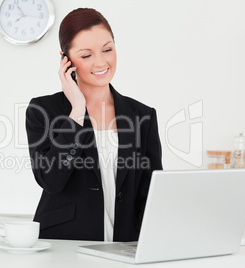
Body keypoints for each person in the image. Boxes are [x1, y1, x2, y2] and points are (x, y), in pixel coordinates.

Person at [25, 8, 162, 242]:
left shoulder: (143, 116)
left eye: (107, 49)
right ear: (65, 60)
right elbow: (51, 181)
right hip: (64, 244)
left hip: (124, 244)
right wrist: (77, 111)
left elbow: (151, 194)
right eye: (86, 55)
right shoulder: (43, 111)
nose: (100, 62)